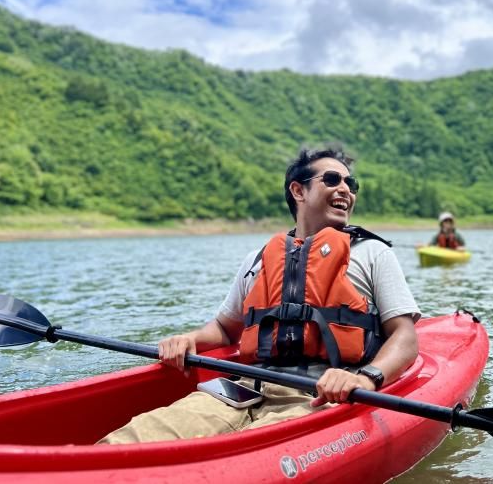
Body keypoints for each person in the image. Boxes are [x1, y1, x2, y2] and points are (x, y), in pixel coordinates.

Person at [99, 147, 420, 444]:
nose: (346, 190)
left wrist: (367, 379)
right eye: (333, 179)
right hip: (242, 388)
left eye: (351, 183)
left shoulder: (372, 253)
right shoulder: (258, 258)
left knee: (243, 455)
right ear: (298, 190)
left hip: (321, 395)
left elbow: (404, 337)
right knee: (127, 440)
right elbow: (226, 329)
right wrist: (188, 339)